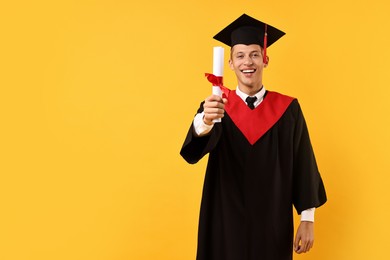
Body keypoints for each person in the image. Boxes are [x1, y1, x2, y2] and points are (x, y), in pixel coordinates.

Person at [180, 13, 327, 260]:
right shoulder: (217, 106)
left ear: (265, 59)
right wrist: (204, 120)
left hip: (271, 220)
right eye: (240, 55)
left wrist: (307, 218)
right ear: (230, 64)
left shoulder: (288, 109)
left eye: (254, 54)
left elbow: (303, 162)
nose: (247, 62)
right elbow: (192, 153)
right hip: (224, 220)